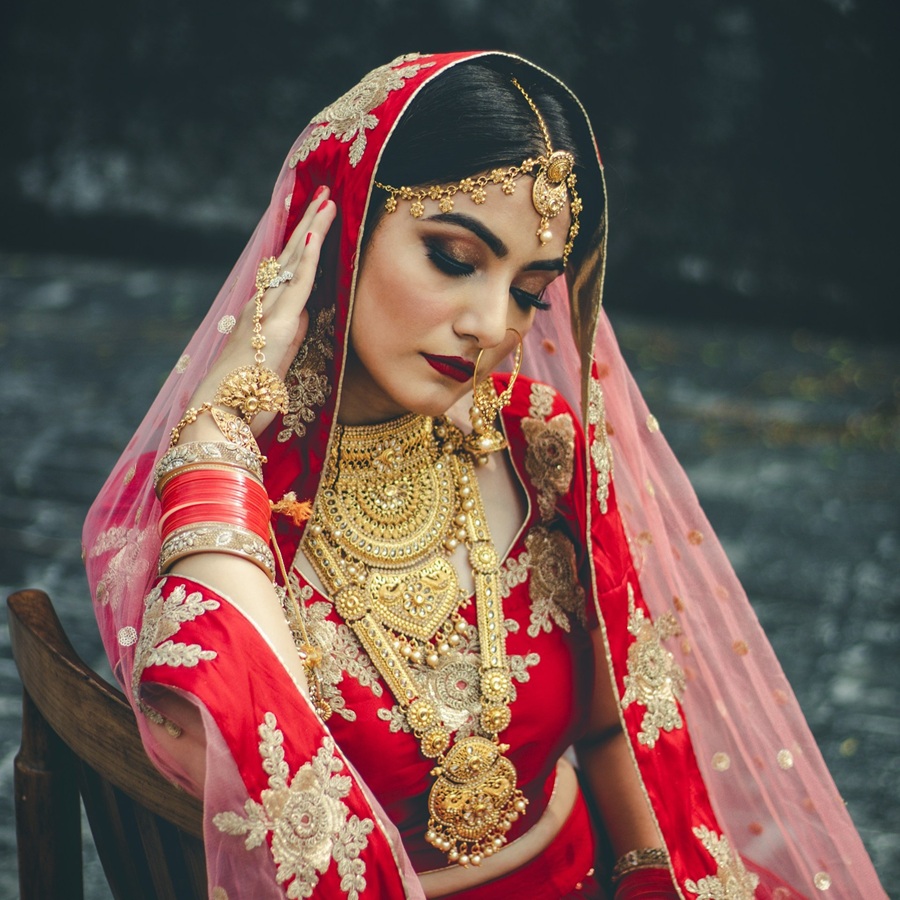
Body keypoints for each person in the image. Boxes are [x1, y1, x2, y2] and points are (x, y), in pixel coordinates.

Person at [83, 51, 885, 899]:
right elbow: (273, 772)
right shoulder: (207, 501)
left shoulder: (541, 448)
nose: (491, 325)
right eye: (456, 258)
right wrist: (214, 433)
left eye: (531, 292)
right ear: (340, 223)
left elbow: (620, 730)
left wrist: (651, 880)